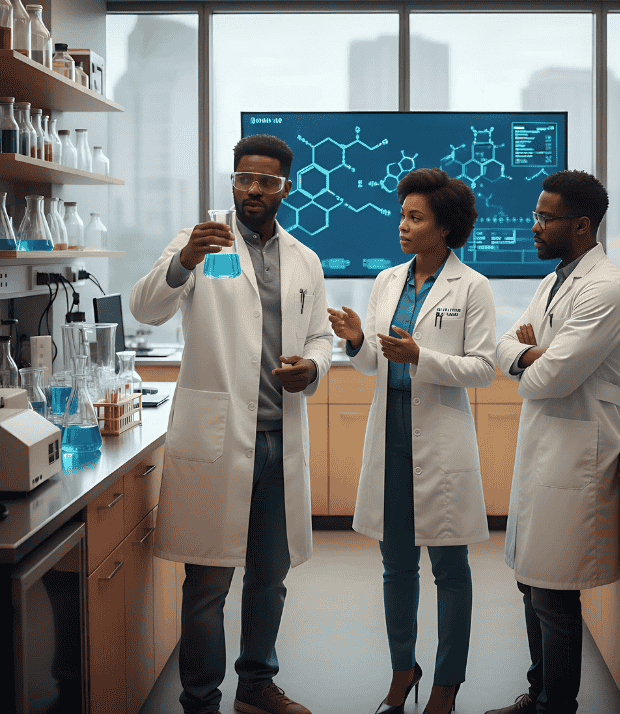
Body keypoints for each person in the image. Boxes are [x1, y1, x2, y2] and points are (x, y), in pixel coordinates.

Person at [130, 134, 332, 714]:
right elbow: (146, 307)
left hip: (277, 440)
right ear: (233, 181)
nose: (252, 190)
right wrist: (186, 259)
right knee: (208, 585)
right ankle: (200, 699)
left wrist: (315, 363)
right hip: (217, 443)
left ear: (285, 188)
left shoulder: (303, 259)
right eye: (243, 179)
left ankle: (256, 687)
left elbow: (318, 332)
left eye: (266, 181)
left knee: (271, 577)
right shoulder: (203, 242)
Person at [327, 167, 496, 714]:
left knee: (450, 570)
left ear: (445, 227)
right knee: (395, 565)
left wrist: (422, 356)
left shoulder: (472, 287)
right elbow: (375, 362)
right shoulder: (386, 281)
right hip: (390, 433)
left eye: (414, 217)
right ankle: (404, 670)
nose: (402, 225)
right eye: (402, 214)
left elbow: (482, 369)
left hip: (441, 436)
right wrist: (356, 342)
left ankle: (447, 682)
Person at [487, 170, 620, 714]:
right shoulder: (556, 281)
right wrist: (531, 354)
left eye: (544, 218)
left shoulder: (607, 288)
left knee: (553, 595)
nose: (533, 226)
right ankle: (540, 693)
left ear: (579, 225)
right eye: (535, 215)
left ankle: (557, 706)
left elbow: (553, 380)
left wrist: (533, 358)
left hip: (577, 457)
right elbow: (504, 344)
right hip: (545, 449)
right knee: (532, 585)